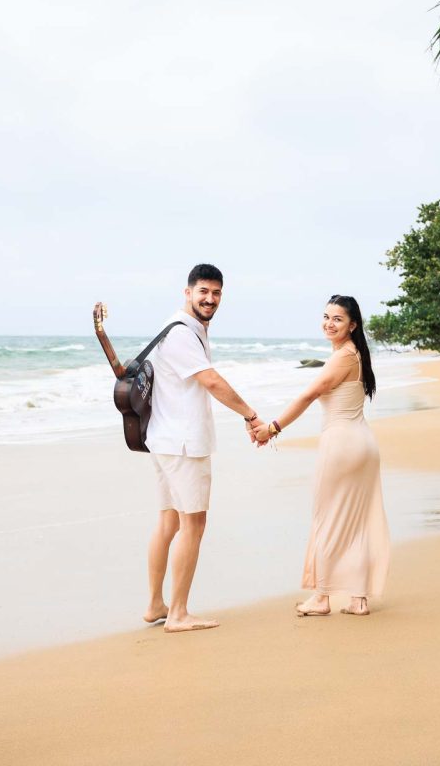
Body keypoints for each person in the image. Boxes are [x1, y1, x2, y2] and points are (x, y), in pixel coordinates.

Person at [143, 263, 264, 633]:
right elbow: (210, 380)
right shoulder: (182, 333)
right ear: (187, 292)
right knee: (193, 523)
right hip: (183, 444)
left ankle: (155, 605)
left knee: (169, 521)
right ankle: (178, 614)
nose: (209, 299)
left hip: (166, 439)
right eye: (203, 292)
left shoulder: (183, 329)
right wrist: (250, 415)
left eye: (215, 293)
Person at [255, 294, 389, 616]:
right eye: (326, 316)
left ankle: (321, 597)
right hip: (363, 445)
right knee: (356, 522)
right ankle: (358, 599)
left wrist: (272, 427)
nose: (329, 323)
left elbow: (309, 394)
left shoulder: (343, 356)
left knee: (327, 520)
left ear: (352, 325)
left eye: (338, 319)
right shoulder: (355, 354)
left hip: (342, 444)